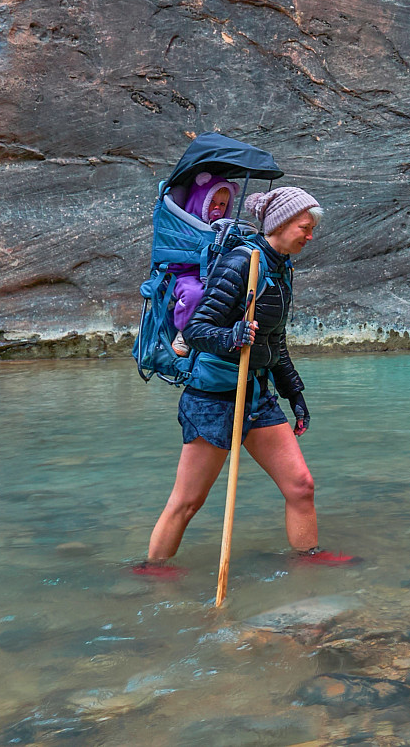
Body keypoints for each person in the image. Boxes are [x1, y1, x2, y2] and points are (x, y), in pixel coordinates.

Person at [138, 186, 353, 572]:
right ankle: (152, 573)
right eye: (305, 227)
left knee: (301, 486)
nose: (310, 235)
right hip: (214, 398)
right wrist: (231, 335)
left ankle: (308, 565)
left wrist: (294, 394)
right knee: (187, 502)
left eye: (311, 228)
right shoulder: (241, 263)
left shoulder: (282, 268)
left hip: (256, 394)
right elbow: (199, 328)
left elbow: (275, 341)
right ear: (281, 223)